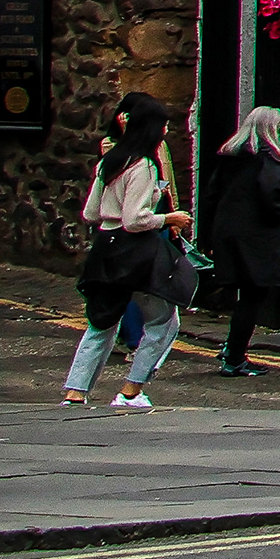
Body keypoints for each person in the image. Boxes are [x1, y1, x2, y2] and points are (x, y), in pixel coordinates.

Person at [61, 93, 190, 411]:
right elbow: (135, 220)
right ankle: (131, 390)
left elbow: (91, 213)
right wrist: (170, 217)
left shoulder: (111, 160)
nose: (166, 130)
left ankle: (75, 392)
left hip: (106, 248)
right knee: (165, 321)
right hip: (136, 252)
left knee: (101, 322)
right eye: (163, 125)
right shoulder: (144, 165)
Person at [203, 104, 280, 377]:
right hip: (257, 238)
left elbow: (211, 196)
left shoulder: (229, 157)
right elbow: (274, 199)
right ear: (270, 128)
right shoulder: (268, 160)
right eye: (278, 126)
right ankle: (235, 357)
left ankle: (232, 350)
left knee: (243, 296)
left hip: (228, 233)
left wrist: (211, 234)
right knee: (253, 297)